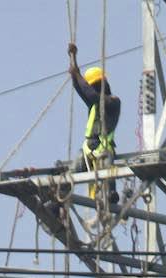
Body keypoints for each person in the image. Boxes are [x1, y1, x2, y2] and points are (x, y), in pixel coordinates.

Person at [66, 42, 121, 205]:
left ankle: (111, 195)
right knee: (70, 175)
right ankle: (56, 203)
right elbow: (80, 88)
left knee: (106, 170)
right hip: (87, 148)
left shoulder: (113, 102)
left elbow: (89, 94)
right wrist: (73, 60)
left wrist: (77, 73)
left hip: (103, 148)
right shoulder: (94, 104)